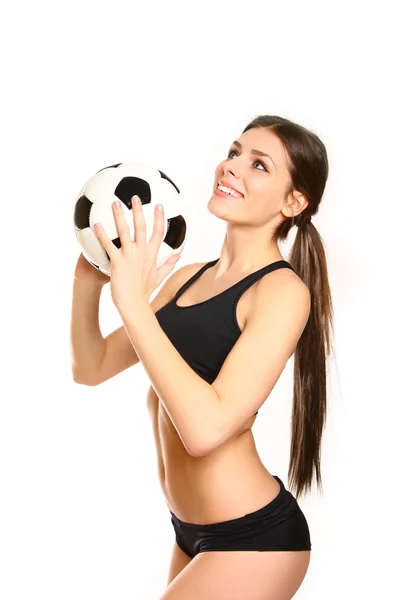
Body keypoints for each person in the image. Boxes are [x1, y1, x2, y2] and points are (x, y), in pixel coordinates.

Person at [71, 114, 334, 600]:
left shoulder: (281, 291)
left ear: (293, 201)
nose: (231, 167)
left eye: (259, 165)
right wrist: (89, 283)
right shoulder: (186, 277)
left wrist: (131, 303)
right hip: (190, 534)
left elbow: (205, 431)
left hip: (254, 539)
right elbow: (92, 368)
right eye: (234, 153)